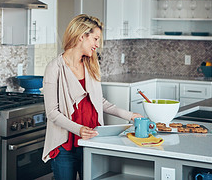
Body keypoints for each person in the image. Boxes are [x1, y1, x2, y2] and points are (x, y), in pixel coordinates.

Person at [41, 14, 142, 180]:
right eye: (95, 39)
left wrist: (130, 116)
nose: (97, 45)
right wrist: (78, 129)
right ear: (82, 36)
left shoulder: (91, 65)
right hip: (66, 145)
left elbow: (100, 102)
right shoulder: (54, 68)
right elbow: (52, 112)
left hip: (93, 139)